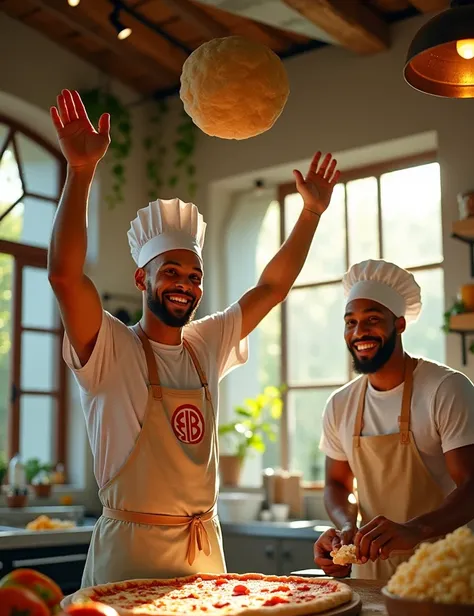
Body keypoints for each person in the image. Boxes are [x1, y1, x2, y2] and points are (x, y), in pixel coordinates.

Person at [48, 89, 340, 587]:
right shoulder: (111, 347)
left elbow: (270, 288)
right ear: (142, 280)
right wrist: (80, 172)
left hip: (204, 556)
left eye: (195, 275)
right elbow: (64, 277)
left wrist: (310, 213)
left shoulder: (205, 345)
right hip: (129, 557)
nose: (186, 284)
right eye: (172, 271)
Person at [314, 259, 474, 580]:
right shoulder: (340, 404)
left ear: (399, 324)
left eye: (372, 320)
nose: (360, 332)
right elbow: (337, 482)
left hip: (443, 572)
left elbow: (472, 484)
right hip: (370, 577)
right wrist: (347, 527)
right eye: (351, 322)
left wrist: (415, 529)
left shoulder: (446, 389)